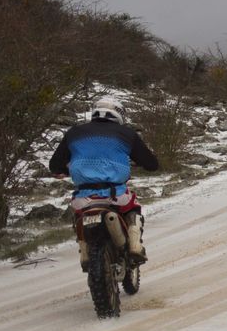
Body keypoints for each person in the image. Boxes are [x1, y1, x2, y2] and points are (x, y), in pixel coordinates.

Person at [48, 97, 160, 266]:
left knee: (78, 216)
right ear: (119, 114)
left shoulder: (73, 133)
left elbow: (54, 165)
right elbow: (151, 164)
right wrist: (141, 163)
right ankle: (135, 245)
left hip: (83, 197)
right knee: (134, 207)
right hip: (116, 194)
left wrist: (63, 171)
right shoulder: (127, 134)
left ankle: (84, 250)